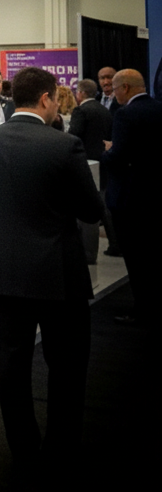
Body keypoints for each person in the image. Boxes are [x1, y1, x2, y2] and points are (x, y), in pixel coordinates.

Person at [0, 67, 101, 472]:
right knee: (67, 367)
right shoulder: (64, 145)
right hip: (58, 275)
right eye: (56, 99)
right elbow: (91, 211)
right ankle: (61, 451)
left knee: (12, 367)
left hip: (2, 273)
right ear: (45, 99)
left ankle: (23, 451)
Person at [101, 69, 161, 325]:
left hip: (131, 197)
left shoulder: (125, 114)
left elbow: (118, 157)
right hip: (154, 195)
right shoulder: (158, 108)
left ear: (124, 87)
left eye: (115, 90)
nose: (114, 95)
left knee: (136, 258)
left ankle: (143, 309)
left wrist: (107, 152)